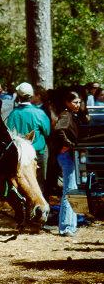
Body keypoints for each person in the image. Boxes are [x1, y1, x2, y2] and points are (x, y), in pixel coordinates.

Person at [6, 82, 51, 194]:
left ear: (19, 96)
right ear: (31, 96)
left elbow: (9, 135)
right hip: (38, 153)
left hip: (21, 156)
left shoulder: (13, 114)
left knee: (23, 184)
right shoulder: (39, 113)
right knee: (39, 184)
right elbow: (47, 132)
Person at [51, 90, 81, 237]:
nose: (78, 105)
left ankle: (71, 225)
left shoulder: (71, 114)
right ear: (67, 102)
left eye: (79, 102)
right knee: (69, 190)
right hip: (66, 156)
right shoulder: (65, 114)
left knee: (73, 188)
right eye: (75, 102)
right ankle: (66, 227)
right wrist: (68, 144)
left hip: (70, 155)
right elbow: (59, 130)